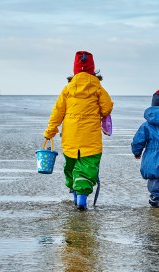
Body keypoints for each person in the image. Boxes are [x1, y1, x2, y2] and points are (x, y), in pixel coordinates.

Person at [43, 50, 113, 210]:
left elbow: (57, 113)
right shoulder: (97, 88)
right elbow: (107, 107)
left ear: (75, 70)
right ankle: (82, 201)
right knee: (87, 168)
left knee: (71, 167)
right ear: (93, 69)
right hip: (91, 140)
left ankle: (76, 198)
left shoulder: (67, 89)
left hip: (70, 139)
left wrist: (50, 131)